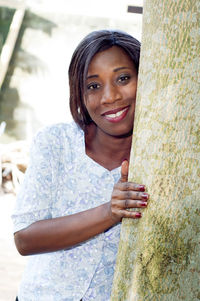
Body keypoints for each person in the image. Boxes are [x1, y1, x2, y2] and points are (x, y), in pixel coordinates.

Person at [12, 29, 149, 301]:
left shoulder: (165, 157)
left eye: (123, 78)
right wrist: (109, 212)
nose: (110, 97)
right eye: (93, 86)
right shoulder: (56, 143)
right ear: (80, 94)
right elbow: (25, 239)